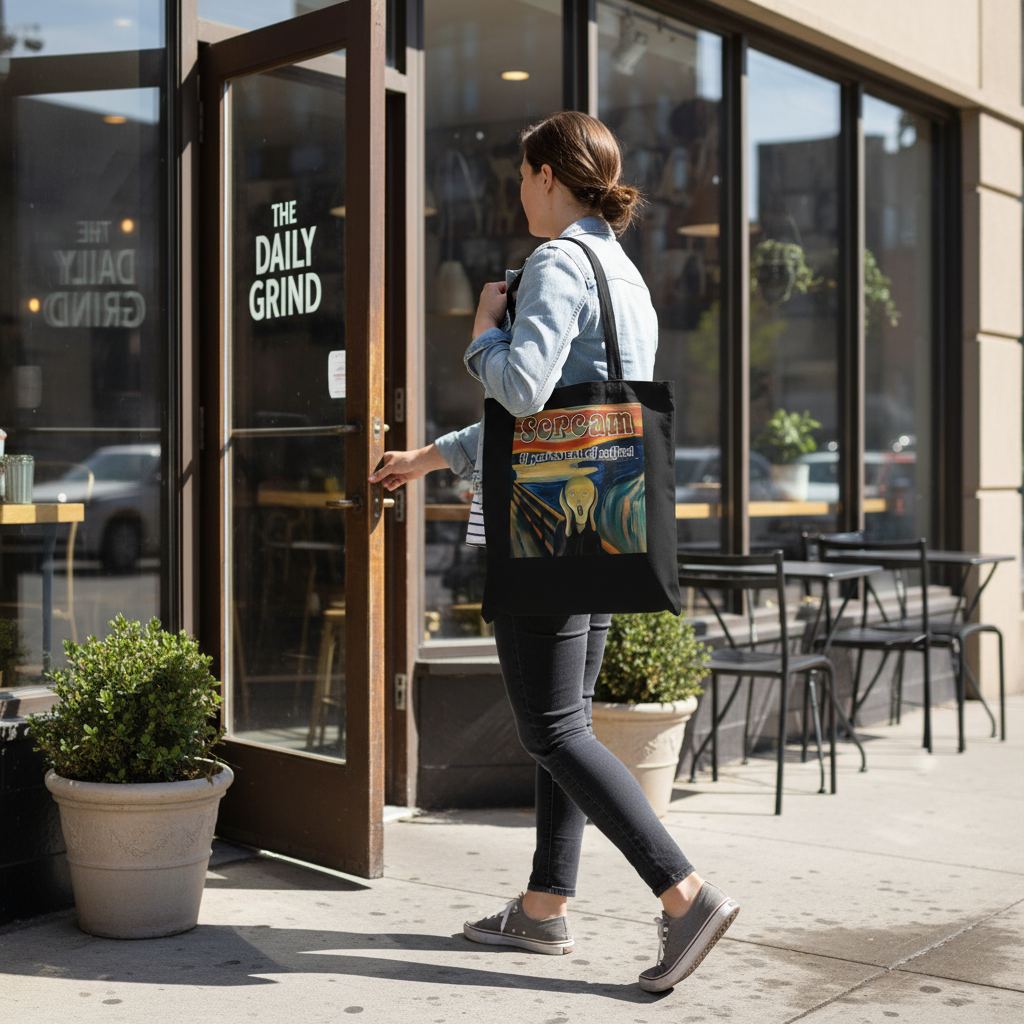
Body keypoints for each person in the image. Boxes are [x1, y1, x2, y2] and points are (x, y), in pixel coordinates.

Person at [369, 110, 738, 993]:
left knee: (553, 728)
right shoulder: (625, 273)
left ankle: (684, 897)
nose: (517, 192)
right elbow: (566, 414)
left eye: (521, 175)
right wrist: (433, 456)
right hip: (602, 521)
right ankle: (543, 908)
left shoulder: (555, 262)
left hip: (542, 531)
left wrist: (482, 331)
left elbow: (524, 390)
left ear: (545, 175)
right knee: (560, 727)